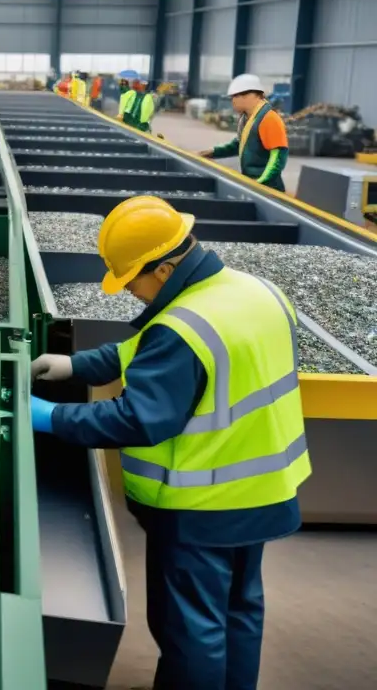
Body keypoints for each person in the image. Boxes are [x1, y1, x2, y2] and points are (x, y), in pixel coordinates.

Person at [29, 195, 311, 690]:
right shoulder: (254, 291)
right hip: (266, 491)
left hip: (201, 507)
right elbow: (147, 348)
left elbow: (139, 419)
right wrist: (78, 365)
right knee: (240, 611)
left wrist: (52, 416)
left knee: (191, 630)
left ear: (162, 269)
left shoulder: (182, 327)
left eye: (132, 279)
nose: (130, 293)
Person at [198, 73, 289, 193]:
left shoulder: (269, 118)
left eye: (235, 97)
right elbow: (240, 144)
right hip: (253, 184)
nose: (232, 101)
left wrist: (261, 182)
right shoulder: (248, 118)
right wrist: (213, 152)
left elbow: (278, 157)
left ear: (249, 95)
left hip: (269, 190)